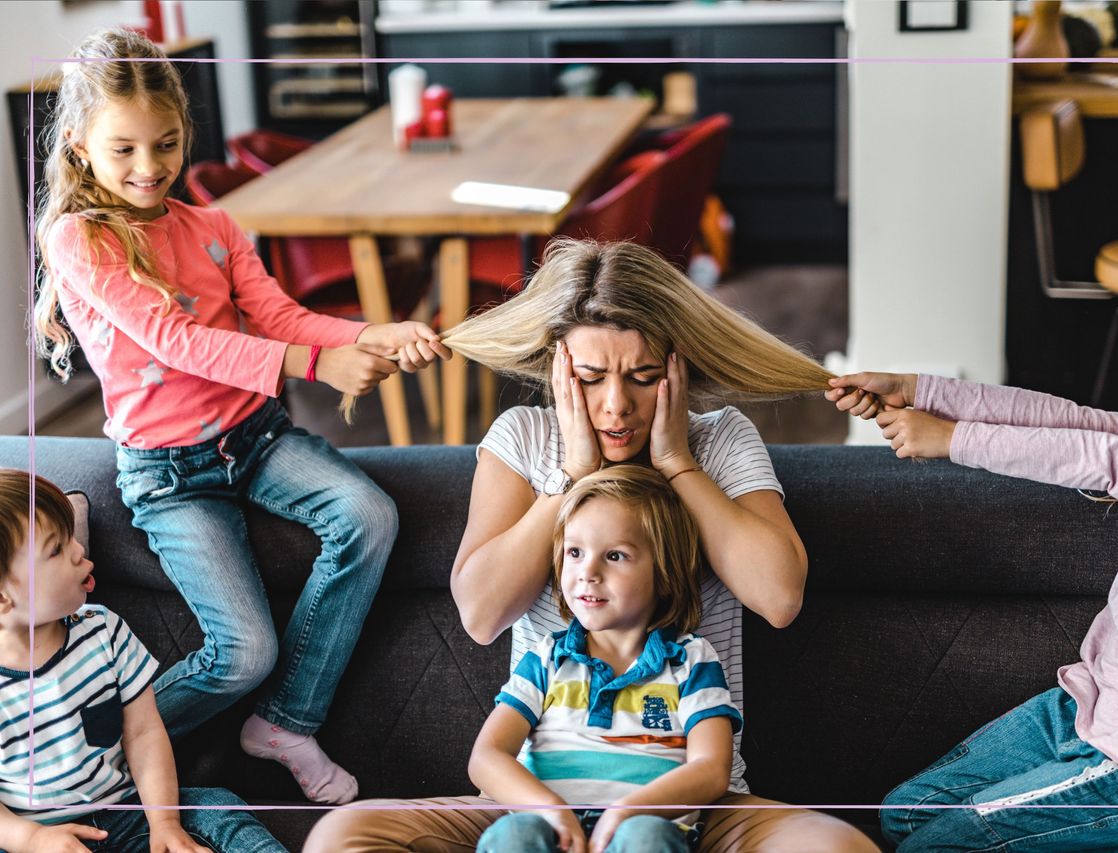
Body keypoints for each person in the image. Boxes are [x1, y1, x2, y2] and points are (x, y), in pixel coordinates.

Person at [306, 239, 878, 851]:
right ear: (558, 368)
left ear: (677, 368)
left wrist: (678, 463)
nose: (615, 406)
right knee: (344, 834)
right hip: (534, 803)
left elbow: (779, 596)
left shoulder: (720, 442)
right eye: (589, 378)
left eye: (643, 377)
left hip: (688, 808)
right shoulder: (524, 438)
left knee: (839, 847)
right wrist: (570, 477)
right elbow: (480, 614)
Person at [33, 28, 451, 805]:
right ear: (82, 148)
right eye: (124, 149)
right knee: (244, 650)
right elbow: (177, 341)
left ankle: (288, 721)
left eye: (164, 143)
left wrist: (370, 333)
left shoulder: (213, 227)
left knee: (370, 513)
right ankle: (104, 751)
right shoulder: (77, 238)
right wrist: (320, 364)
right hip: (168, 474)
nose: (150, 167)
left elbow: (281, 315)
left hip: (255, 438)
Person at [827, 270, 1118, 851]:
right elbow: (1090, 424)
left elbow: (1110, 459)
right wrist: (920, 388)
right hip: (1091, 701)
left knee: (932, 846)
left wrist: (953, 440)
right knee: (906, 815)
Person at [0, 469, 289, 853]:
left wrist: (164, 822)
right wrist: (32, 838)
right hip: (35, 838)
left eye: (71, 536)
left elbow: (143, 733)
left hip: (124, 813)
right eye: (56, 549)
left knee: (217, 808)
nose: (77, 551)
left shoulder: (103, 630)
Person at [471, 465, 740, 853]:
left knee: (646, 838)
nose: (588, 572)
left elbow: (712, 770)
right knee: (511, 837)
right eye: (575, 552)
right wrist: (552, 810)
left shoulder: (690, 661)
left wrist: (626, 811)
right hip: (548, 831)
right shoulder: (548, 657)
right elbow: (486, 757)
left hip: (642, 829)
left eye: (615, 555)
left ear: (664, 573)